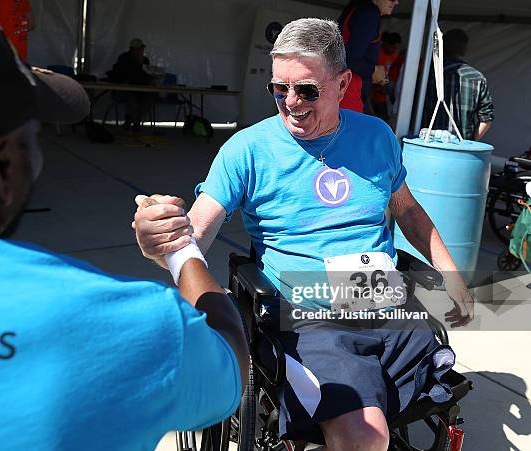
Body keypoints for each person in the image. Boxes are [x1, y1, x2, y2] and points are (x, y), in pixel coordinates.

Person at [134, 18, 476, 451]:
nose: (290, 102)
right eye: (279, 88)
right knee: (364, 436)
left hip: (385, 306)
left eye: (307, 90)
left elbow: (407, 210)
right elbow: (194, 236)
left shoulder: (377, 137)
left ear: (342, 83)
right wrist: (160, 242)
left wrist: (451, 274)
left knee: (429, 390)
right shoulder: (248, 149)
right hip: (311, 321)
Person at [0, 2, 248, 450]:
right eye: (31, 139)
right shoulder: (125, 328)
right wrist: (179, 251)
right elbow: (229, 365)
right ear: (2, 164)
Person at [423, 28, 494, 141]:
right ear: (464, 50)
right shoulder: (478, 78)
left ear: (443, 48)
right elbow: (486, 119)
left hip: (429, 143)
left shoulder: (429, 74)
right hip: (461, 150)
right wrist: (470, 143)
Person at [338, 0, 399, 113]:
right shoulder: (369, 13)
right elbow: (349, 59)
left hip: (343, 89)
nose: (396, 2)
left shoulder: (359, 7)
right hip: (349, 92)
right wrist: (374, 71)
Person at [107, 38, 155, 131]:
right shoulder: (123, 58)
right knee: (132, 101)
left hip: (141, 90)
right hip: (126, 90)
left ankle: (131, 118)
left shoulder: (145, 60)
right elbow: (119, 74)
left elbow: (147, 76)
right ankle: (136, 123)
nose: (141, 51)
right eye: (139, 49)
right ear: (132, 49)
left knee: (149, 102)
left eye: (142, 49)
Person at [371, 31, 403, 122]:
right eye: (393, 47)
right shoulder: (377, 54)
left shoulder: (395, 56)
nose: (394, 50)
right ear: (386, 44)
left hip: (384, 96)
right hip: (372, 95)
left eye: (396, 48)